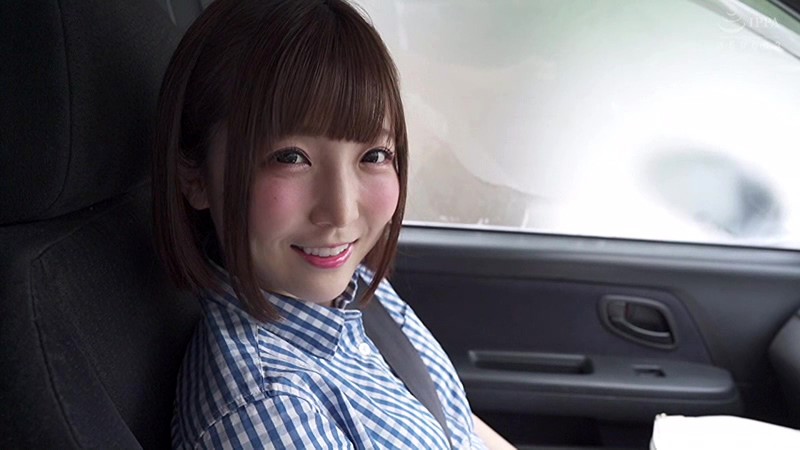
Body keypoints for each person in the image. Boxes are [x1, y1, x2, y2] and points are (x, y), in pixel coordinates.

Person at [152, 0, 515, 448]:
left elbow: (457, 429)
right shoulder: (267, 410)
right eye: (291, 158)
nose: (342, 212)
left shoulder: (355, 293)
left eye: (373, 155)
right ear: (196, 178)